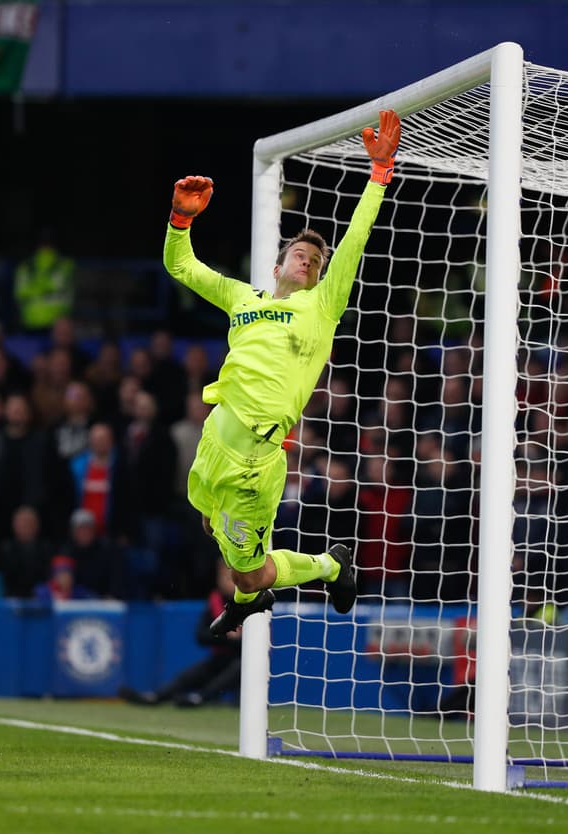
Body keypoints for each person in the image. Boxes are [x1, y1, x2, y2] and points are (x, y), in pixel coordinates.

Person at [162, 109, 400, 635]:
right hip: (213, 437)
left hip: (255, 459)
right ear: (276, 266)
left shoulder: (321, 308)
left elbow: (355, 243)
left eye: (317, 261)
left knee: (251, 576)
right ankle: (252, 588)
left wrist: (378, 176)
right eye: (300, 253)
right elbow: (181, 267)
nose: (309, 262)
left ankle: (330, 566)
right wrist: (181, 221)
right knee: (205, 517)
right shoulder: (243, 296)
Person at [118, 559, 242, 707]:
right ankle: (156, 696)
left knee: (237, 667)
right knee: (192, 674)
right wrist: (225, 635)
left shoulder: (250, 601)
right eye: (223, 576)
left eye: (230, 576)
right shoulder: (215, 600)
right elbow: (201, 635)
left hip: (243, 660)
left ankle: (201, 697)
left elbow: (260, 644)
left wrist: (235, 639)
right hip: (221, 657)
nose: (226, 580)